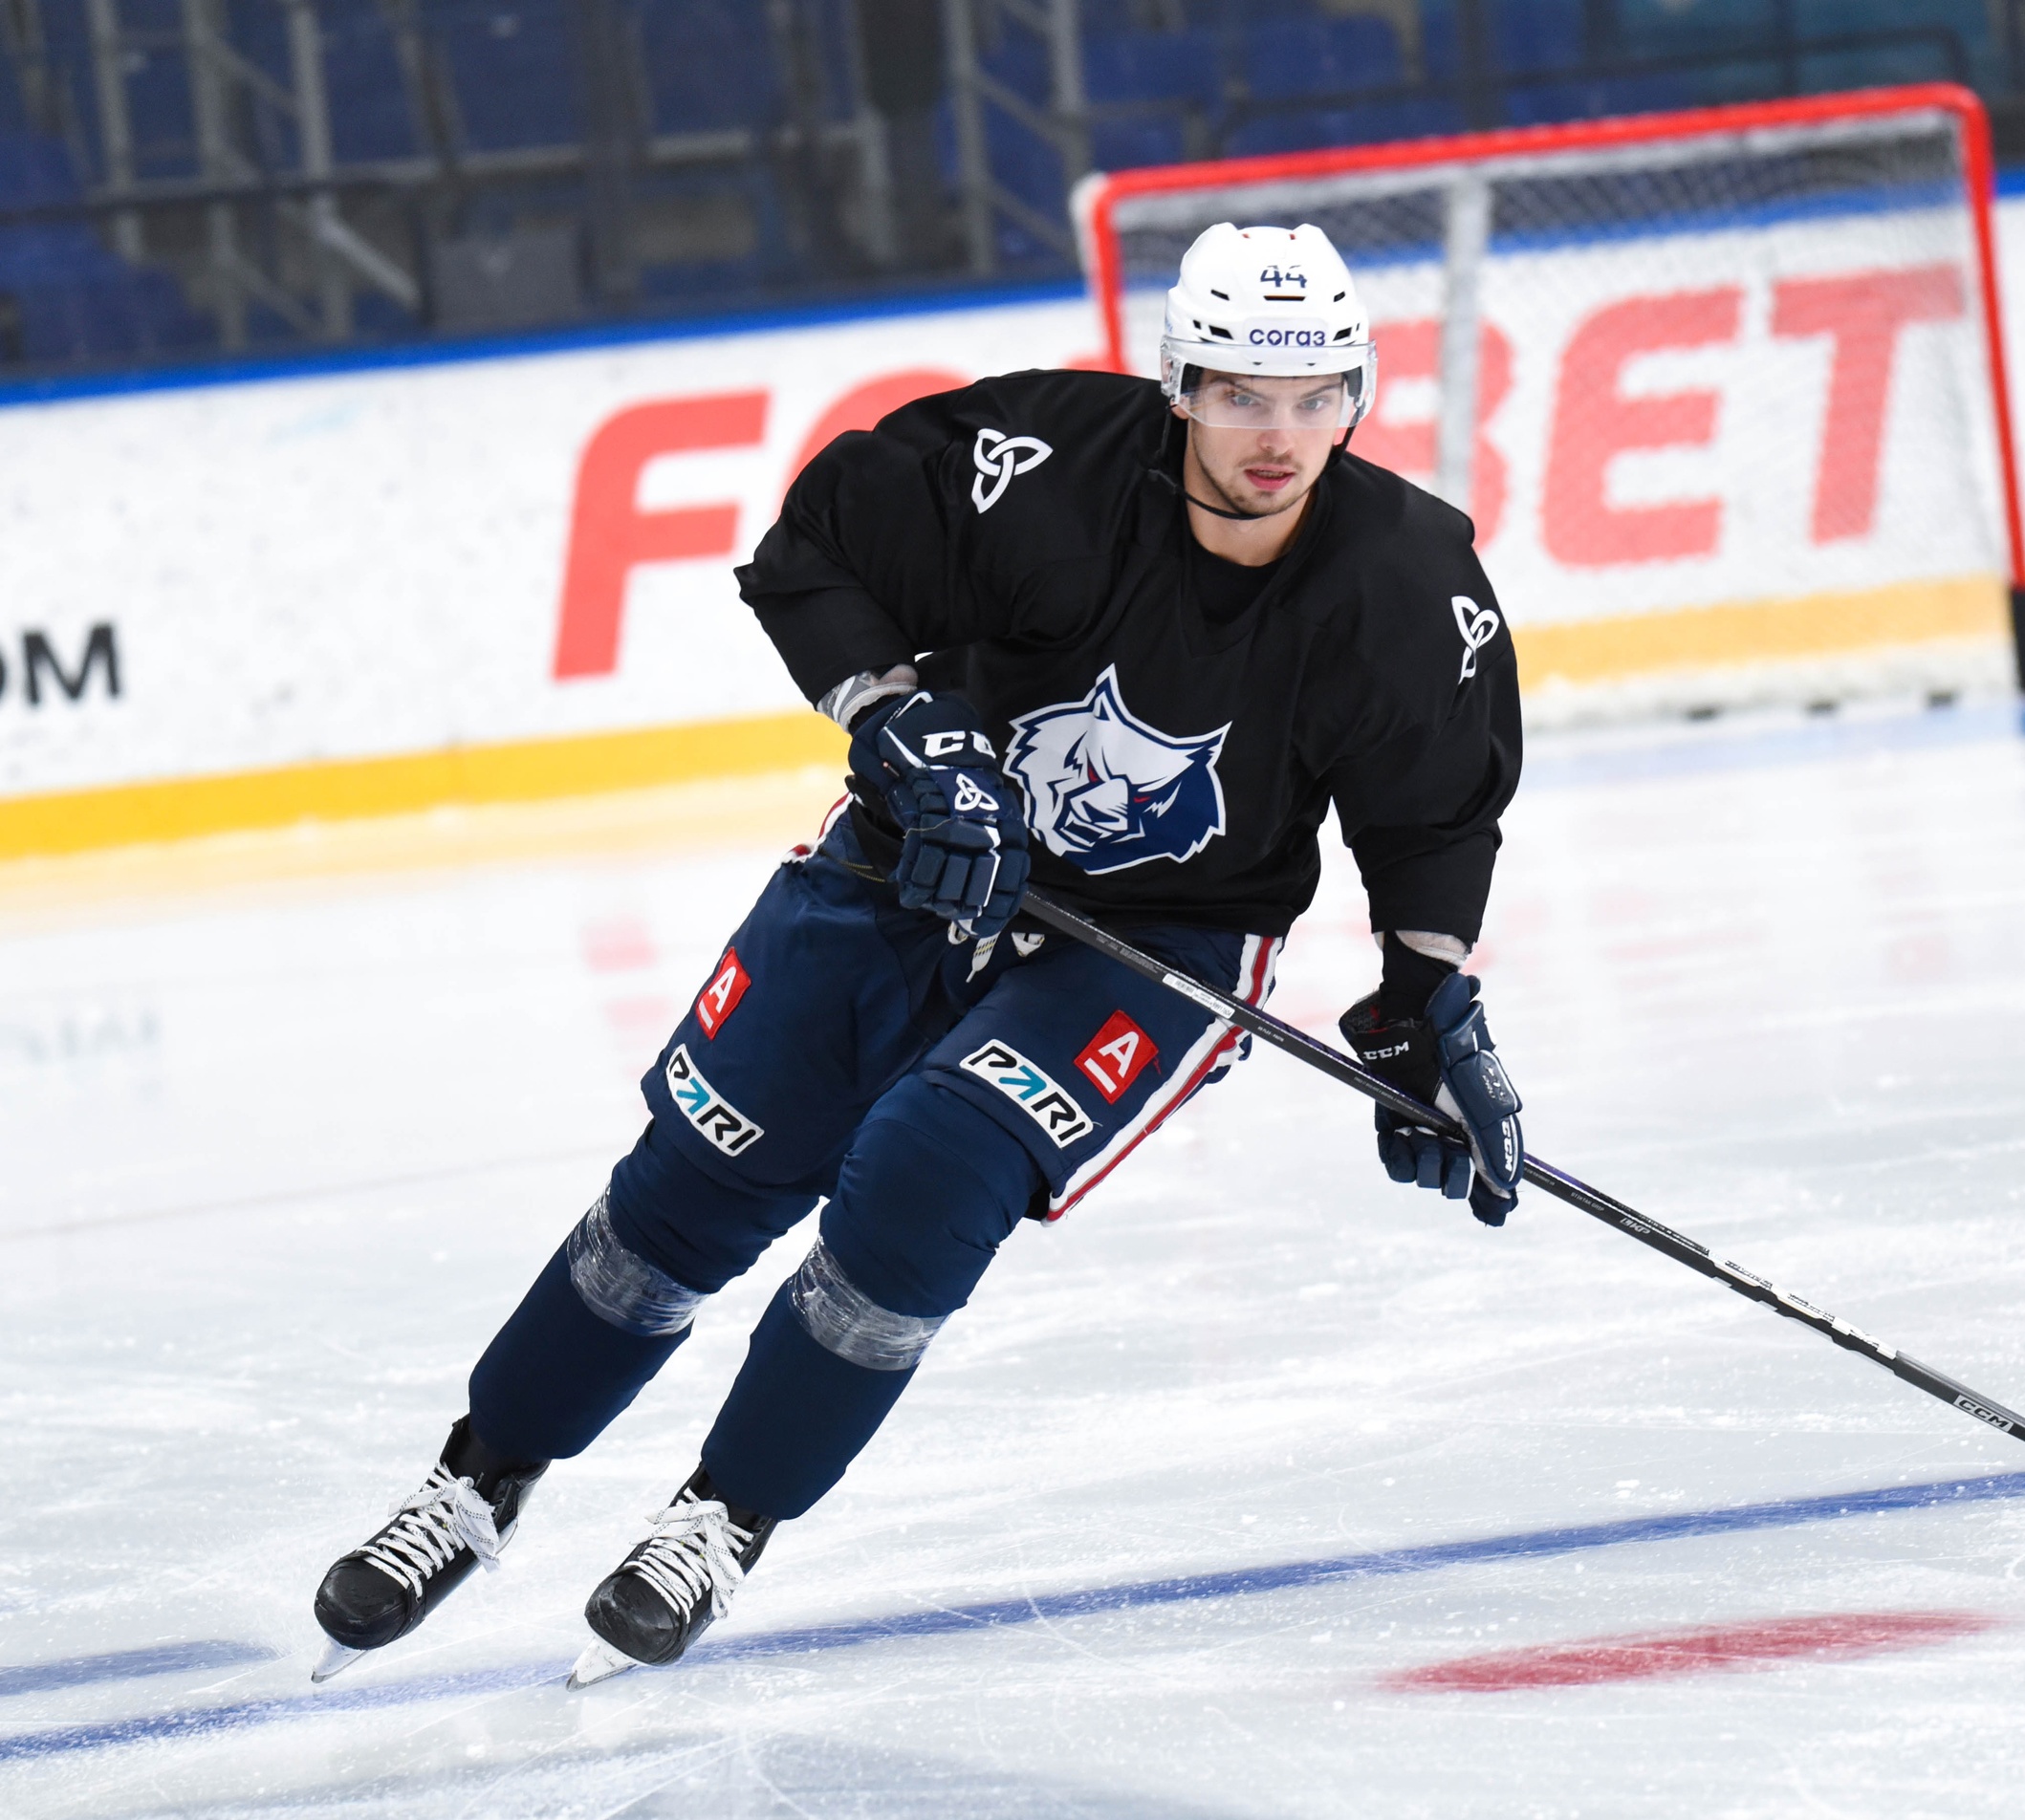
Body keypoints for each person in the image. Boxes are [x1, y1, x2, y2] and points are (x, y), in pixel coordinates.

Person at [308, 223, 1526, 1688]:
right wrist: (901, 725)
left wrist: (1429, 1003)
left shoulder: (1407, 578)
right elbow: (815, 552)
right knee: (693, 1188)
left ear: (1358, 395)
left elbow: (1433, 811)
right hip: (909, 863)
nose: (1281, 437)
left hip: (1158, 942)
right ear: (1180, 385)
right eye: (1242, 395)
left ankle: (724, 1516)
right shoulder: (1046, 463)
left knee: (930, 1174)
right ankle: (477, 1481)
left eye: (1317, 397)